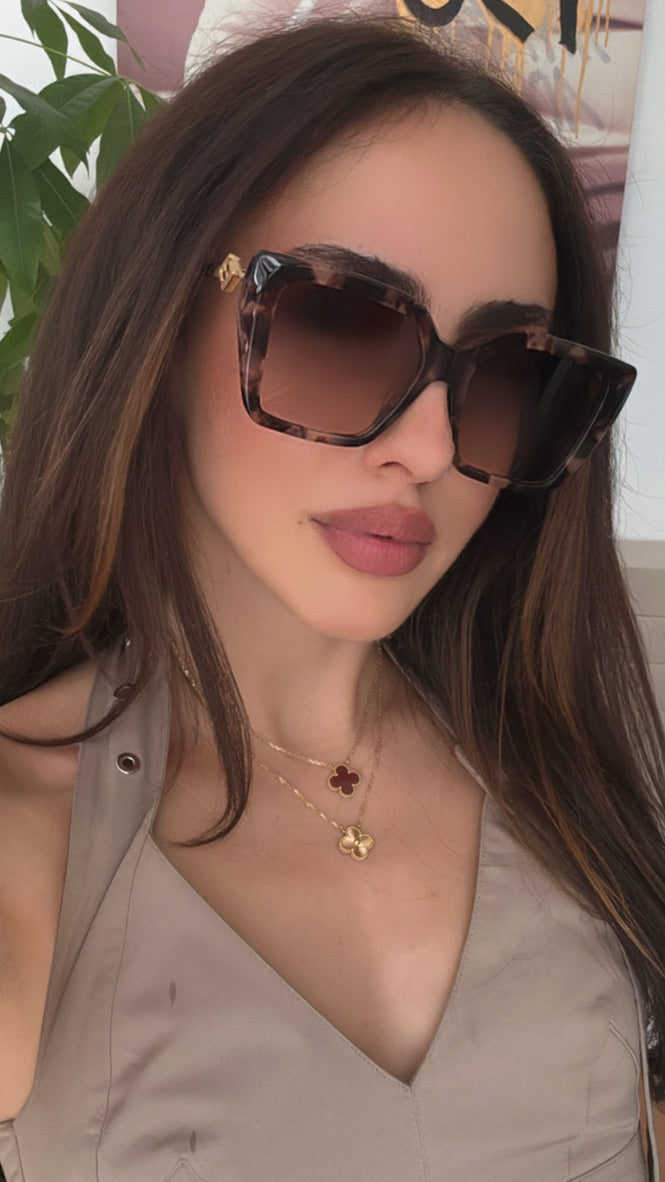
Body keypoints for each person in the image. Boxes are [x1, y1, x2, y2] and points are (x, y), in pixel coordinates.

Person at [0, 16, 663, 1182]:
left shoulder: (567, 768)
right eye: (339, 323)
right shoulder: (26, 834)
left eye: (506, 374)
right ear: (158, 322)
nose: (428, 447)